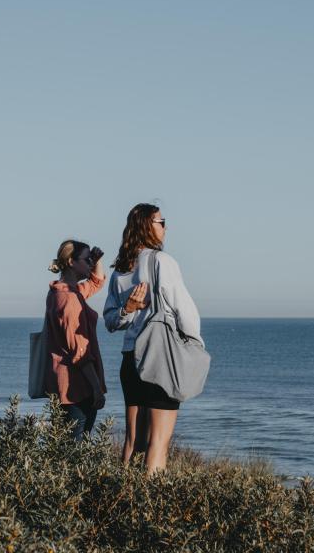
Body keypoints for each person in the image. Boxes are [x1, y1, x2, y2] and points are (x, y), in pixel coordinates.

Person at [104, 203, 203, 474]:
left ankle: (123, 498)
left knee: (134, 442)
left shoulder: (121, 270)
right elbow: (184, 308)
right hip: (158, 356)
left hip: (130, 359)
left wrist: (128, 310)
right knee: (158, 443)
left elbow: (111, 320)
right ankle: (149, 509)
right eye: (161, 221)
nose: (165, 227)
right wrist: (195, 345)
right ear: (148, 226)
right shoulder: (162, 261)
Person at [46, 240, 107, 441]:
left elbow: (96, 281)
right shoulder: (70, 299)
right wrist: (96, 388)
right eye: (86, 259)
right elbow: (79, 352)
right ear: (72, 262)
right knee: (75, 450)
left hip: (64, 384)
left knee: (67, 445)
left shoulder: (62, 292)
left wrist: (95, 261)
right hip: (77, 388)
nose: (90, 262)